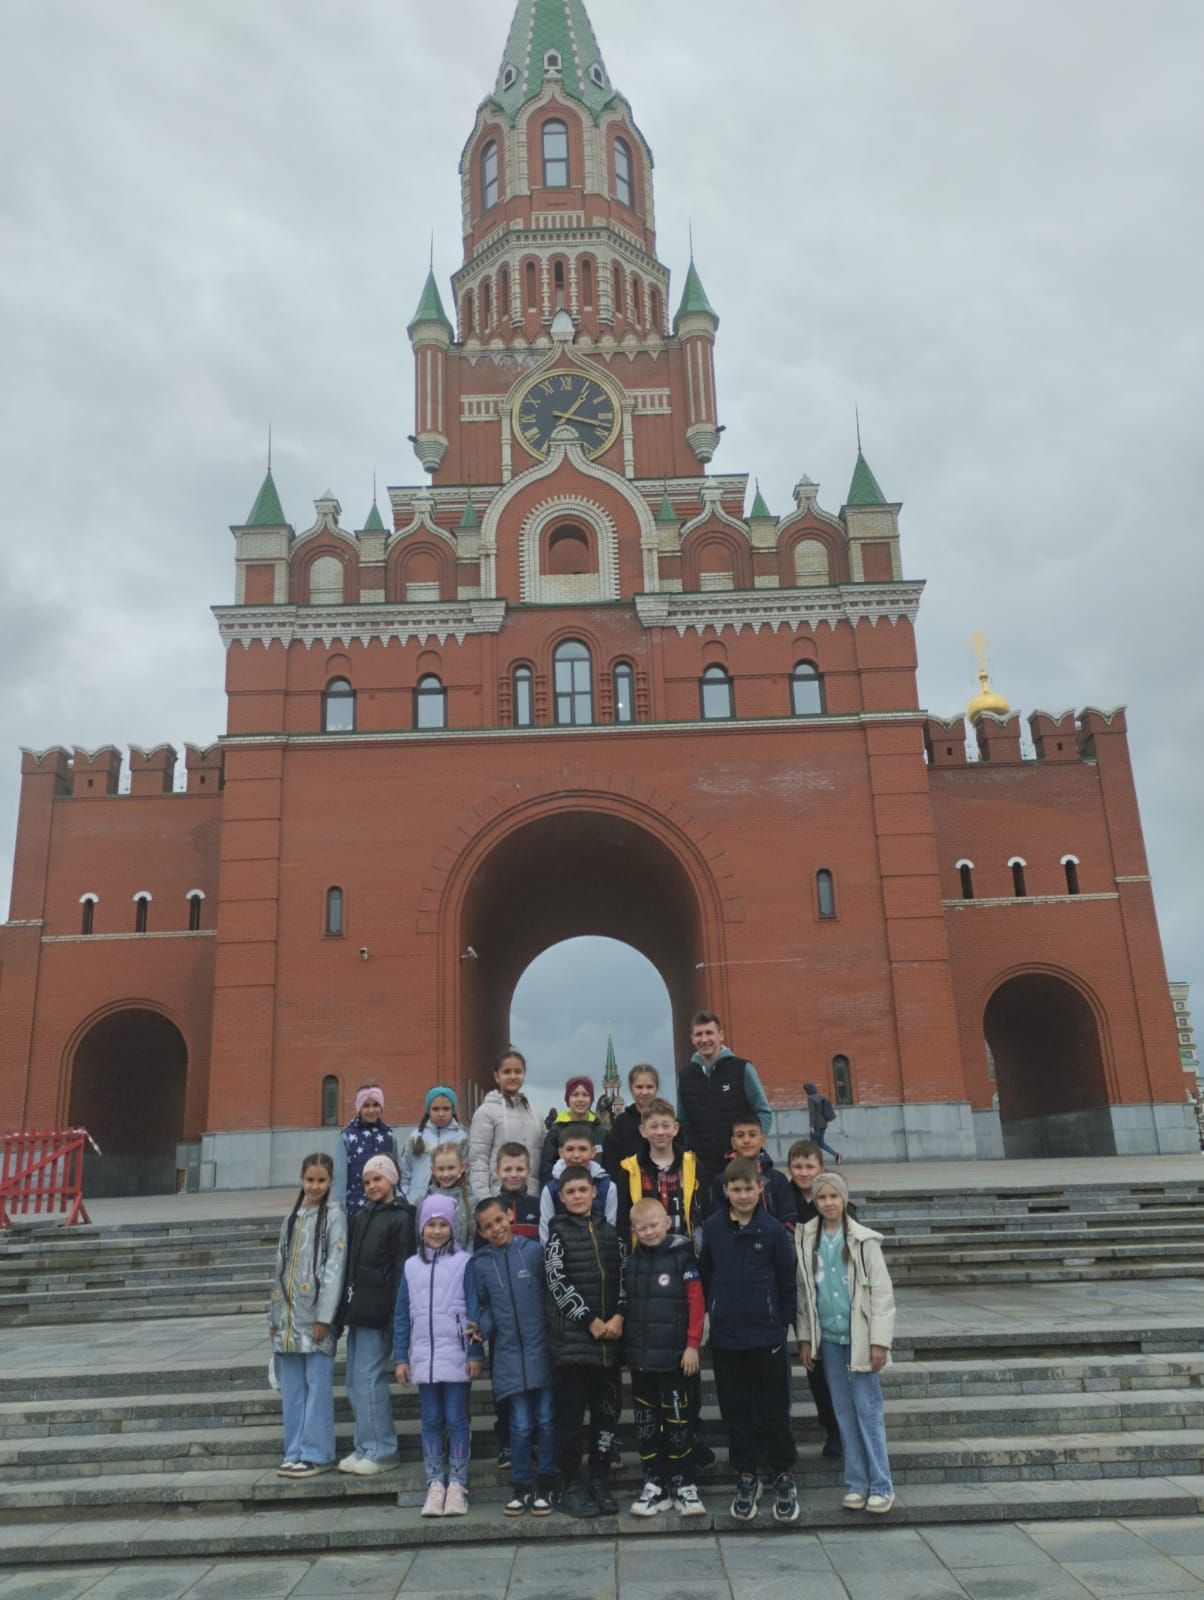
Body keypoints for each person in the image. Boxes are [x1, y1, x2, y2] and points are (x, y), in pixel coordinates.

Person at [699, 1156, 799, 1524]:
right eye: (736, 1189)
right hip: (727, 1337)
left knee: (773, 1407)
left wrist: (783, 1323)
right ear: (725, 1191)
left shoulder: (773, 1231)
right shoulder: (713, 1228)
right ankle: (745, 1474)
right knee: (736, 1410)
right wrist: (715, 1311)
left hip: (767, 1333)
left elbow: (786, 1280)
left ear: (761, 1189)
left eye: (749, 1189)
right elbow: (706, 1272)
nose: (743, 1195)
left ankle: (783, 1473)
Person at [796, 1171, 895, 1514]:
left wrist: (879, 1342)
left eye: (833, 1197)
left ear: (844, 1199)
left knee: (867, 1411)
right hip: (831, 1340)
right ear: (814, 1202)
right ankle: (856, 1482)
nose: (828, 1203)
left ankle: (881, 1484)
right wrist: (806, 1338)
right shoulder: (808, 1238)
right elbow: (805, 1293)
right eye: (821, 1198)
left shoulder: (864, 1241)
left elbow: (882, 1296)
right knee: (842, 1411)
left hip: (861, 1339)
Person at [544, 1164, 626, 1518]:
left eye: (583, 1190)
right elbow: (557, 1283)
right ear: (561, 1198)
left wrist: (619, 1316)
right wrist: (590, 1320)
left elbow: (626, 1278)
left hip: (610, 1345)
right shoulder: (556, 1237)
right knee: (571, 1419)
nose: (578, 1196)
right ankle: (570, 1483)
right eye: (571, 1192)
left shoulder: (614, 1235)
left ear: (595, 1192)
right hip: (573, 1347)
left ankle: (599, 1478)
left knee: (607, 1416)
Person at [393, 1194, 482, 1517]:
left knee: (457, 1418)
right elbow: (402, 1314)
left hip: (456, 1353)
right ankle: (435, 1482)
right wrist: (400, 1357)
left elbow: (474, 1309)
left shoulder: (464, 1262)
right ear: (421, 1228)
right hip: (423, 1356)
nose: (437, 1230)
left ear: (452, 1227)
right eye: (431, 1224)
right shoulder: (411, 1266)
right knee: (431, 1419)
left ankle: (458, 1482)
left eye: (443, 1224)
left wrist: (475, 1352)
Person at [467, 1197, 556, 1517]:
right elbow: (484, 1309)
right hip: (507, 1357)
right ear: (480, 1231)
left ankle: (545, 1483)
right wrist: (483, 1331)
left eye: (498, 1221)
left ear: (510, 1215)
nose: (495, 1229)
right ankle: (520, 1486)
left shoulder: (533, 1252)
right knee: (519, 1425)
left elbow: (550, 1298)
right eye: (487, 1226)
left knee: (546, 1421)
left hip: (541, 1352)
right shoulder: (480, 1264)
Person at [624, 1198, 706, 1519]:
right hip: (642, 1361)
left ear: (667, 1222)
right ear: (633, 1230)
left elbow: (696, 1305)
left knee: (678, 1424)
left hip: (676, 1359)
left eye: (654, 1225)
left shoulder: (684, 1259)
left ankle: (684, 1483)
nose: (648, 1232)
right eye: (641, 1227)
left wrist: (692, 1345)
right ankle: (655, 1484)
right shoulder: (631, 1262)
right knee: (646, 1425)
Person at [268, 1153, 347, 1478]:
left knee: (317, 1387)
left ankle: (318, 1452)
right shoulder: (292, 1219)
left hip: (316, 1322)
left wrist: (324, 1318)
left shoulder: (334, 1217)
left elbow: (334, 1269)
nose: (314, 1186)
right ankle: (294, 1450)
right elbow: (278, 1271)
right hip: (287, 1322)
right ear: (301, 1180)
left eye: (321, 1180)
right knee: (293, 1390)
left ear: (330, 1182)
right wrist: (273, 1319)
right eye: (309, 1180)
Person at [335, 1154, 415, 1476]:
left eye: (377, 1179)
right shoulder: (361, 1215)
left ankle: (383, 1449)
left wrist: (397, 1317)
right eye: (366, 1181)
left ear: (392, 1180)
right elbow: (350, 1267)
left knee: (369, 1378)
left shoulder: (401, 1218)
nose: (371, 1186)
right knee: (355, 1380)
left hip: (381, 1311)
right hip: (359, 1310)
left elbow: (402, 1270)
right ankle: (364, 1446)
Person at [476, 1140, 540, 1471]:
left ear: (528, 1170)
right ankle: (507, 1443)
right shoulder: (489, 1209)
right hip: (502, 1317)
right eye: (507, 1169)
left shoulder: (537, 1204)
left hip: (530, 1313)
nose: (513, 1174)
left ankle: (537, 1442)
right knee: (505, 1384)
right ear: (497, 1172)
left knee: (537, 1383)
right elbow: (480, 1263)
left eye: (519, 1168)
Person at [785, 1139, 848, 1459]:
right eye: (798, 1167)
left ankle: (844, 1427)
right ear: (789, 1169)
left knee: (842, 1366)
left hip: (835, 1295)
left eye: (810, 1166)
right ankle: (830, 1424)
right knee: (814, 1364)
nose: (804, 1172)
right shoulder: (785, 1197)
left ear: (821, 1168)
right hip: (803, 1295)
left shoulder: (834, 1199)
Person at [676, 1012, 773, 1187]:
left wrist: (752, 1147)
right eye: (699, 1034)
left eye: (709, 1033)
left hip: (741, 1166)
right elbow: (683, 1123)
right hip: (702, 1169)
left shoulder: (742, 1069)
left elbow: (763, 1111)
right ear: (692, 1038)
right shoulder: (684, 1077)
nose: (704, 1039)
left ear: (720, 1035)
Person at [616, 1098, 701, 1245]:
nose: (660, 1132)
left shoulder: (692, 1164)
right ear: (643, 1130)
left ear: (675, 1128)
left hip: (686, 1251)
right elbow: (623, 1220)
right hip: (644, 1254)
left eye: (665, 1126)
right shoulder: (630, 1170)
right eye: (654, 1127)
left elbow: (703, 1210)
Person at [469, 1048, 544, 1201]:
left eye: (518, 1071)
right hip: (497, 1198)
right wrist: (485, 1199)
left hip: (531, 1198)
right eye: (507, 1072)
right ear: (497, 1076)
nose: (513, 1076)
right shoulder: (486, 1112)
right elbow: (478, 1159)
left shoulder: (536, 1114)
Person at [707, 1114, 797, 1229]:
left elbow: (789, 1221)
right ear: (733, 1142)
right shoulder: (721, 1180)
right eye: (740, 1135)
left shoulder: (777, 1179)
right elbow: (717, 1223)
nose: (746, 1140)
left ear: (762, 1140)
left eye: (752, 1135)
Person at [333, 1085, 402, 1220]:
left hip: (385, 1208)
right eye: (366, 1106)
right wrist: (340, 1209)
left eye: (376, 1105)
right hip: (356, 1209)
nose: (371, 1110)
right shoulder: (347, 1137)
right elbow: (340, 1178)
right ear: (359, 1108)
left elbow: (396, 1173)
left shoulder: (389, 1136)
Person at [539, 1124, 618, 1241]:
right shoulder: (551, 1190)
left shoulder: (608, 1187)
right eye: (570, 1149)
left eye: (583, 1149)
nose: (576, 1155)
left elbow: (610, 1228)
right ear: (561, 1152)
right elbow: (546, 1233)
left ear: (593, 1152)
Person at [399, 1086, 469, 1206]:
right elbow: (405, 1171)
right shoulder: (415, 1137)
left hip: (451, 1203)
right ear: (428, 1110)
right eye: (435, 1109)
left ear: (453, 1110)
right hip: (416, 1203)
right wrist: (406, 1197)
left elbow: (467, 1172)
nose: (441, 1114)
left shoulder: (461, 1137)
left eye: (446, 1109)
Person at [539, 1075, 604, 1185]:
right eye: (575, 1095)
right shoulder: (556, 1131)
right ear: (568, 1099)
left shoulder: (600, 1131)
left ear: (591, 1099)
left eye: (585, 1095)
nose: (580, 1099)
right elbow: (547, 1167)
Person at [602, 1063, 662, 1180]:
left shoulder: (665, 1119)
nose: (644, 1092)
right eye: (639, 1087)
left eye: (649, 1087)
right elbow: (612, 1161)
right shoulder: (622, 1122)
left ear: (656, 1088)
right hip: (630, 1186)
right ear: (631, 1088)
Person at [426, 1143, 472, 1248]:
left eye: (451, 1168)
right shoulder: (424, 1201)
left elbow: (472, 1241)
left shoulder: (471, 1201)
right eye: (441, 1169)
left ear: (462, 1167)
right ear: (433, 1170)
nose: (446, 1174)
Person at [805, 1080, 842, 1163]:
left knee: (813, 1145)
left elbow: (812, 1113)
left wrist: (811, 1126)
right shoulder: (821, 1096)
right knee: (821, 1143)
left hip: (816, 1124)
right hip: (824, 1123)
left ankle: (816, 1162)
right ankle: (836, 1155)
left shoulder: (810, 1098)